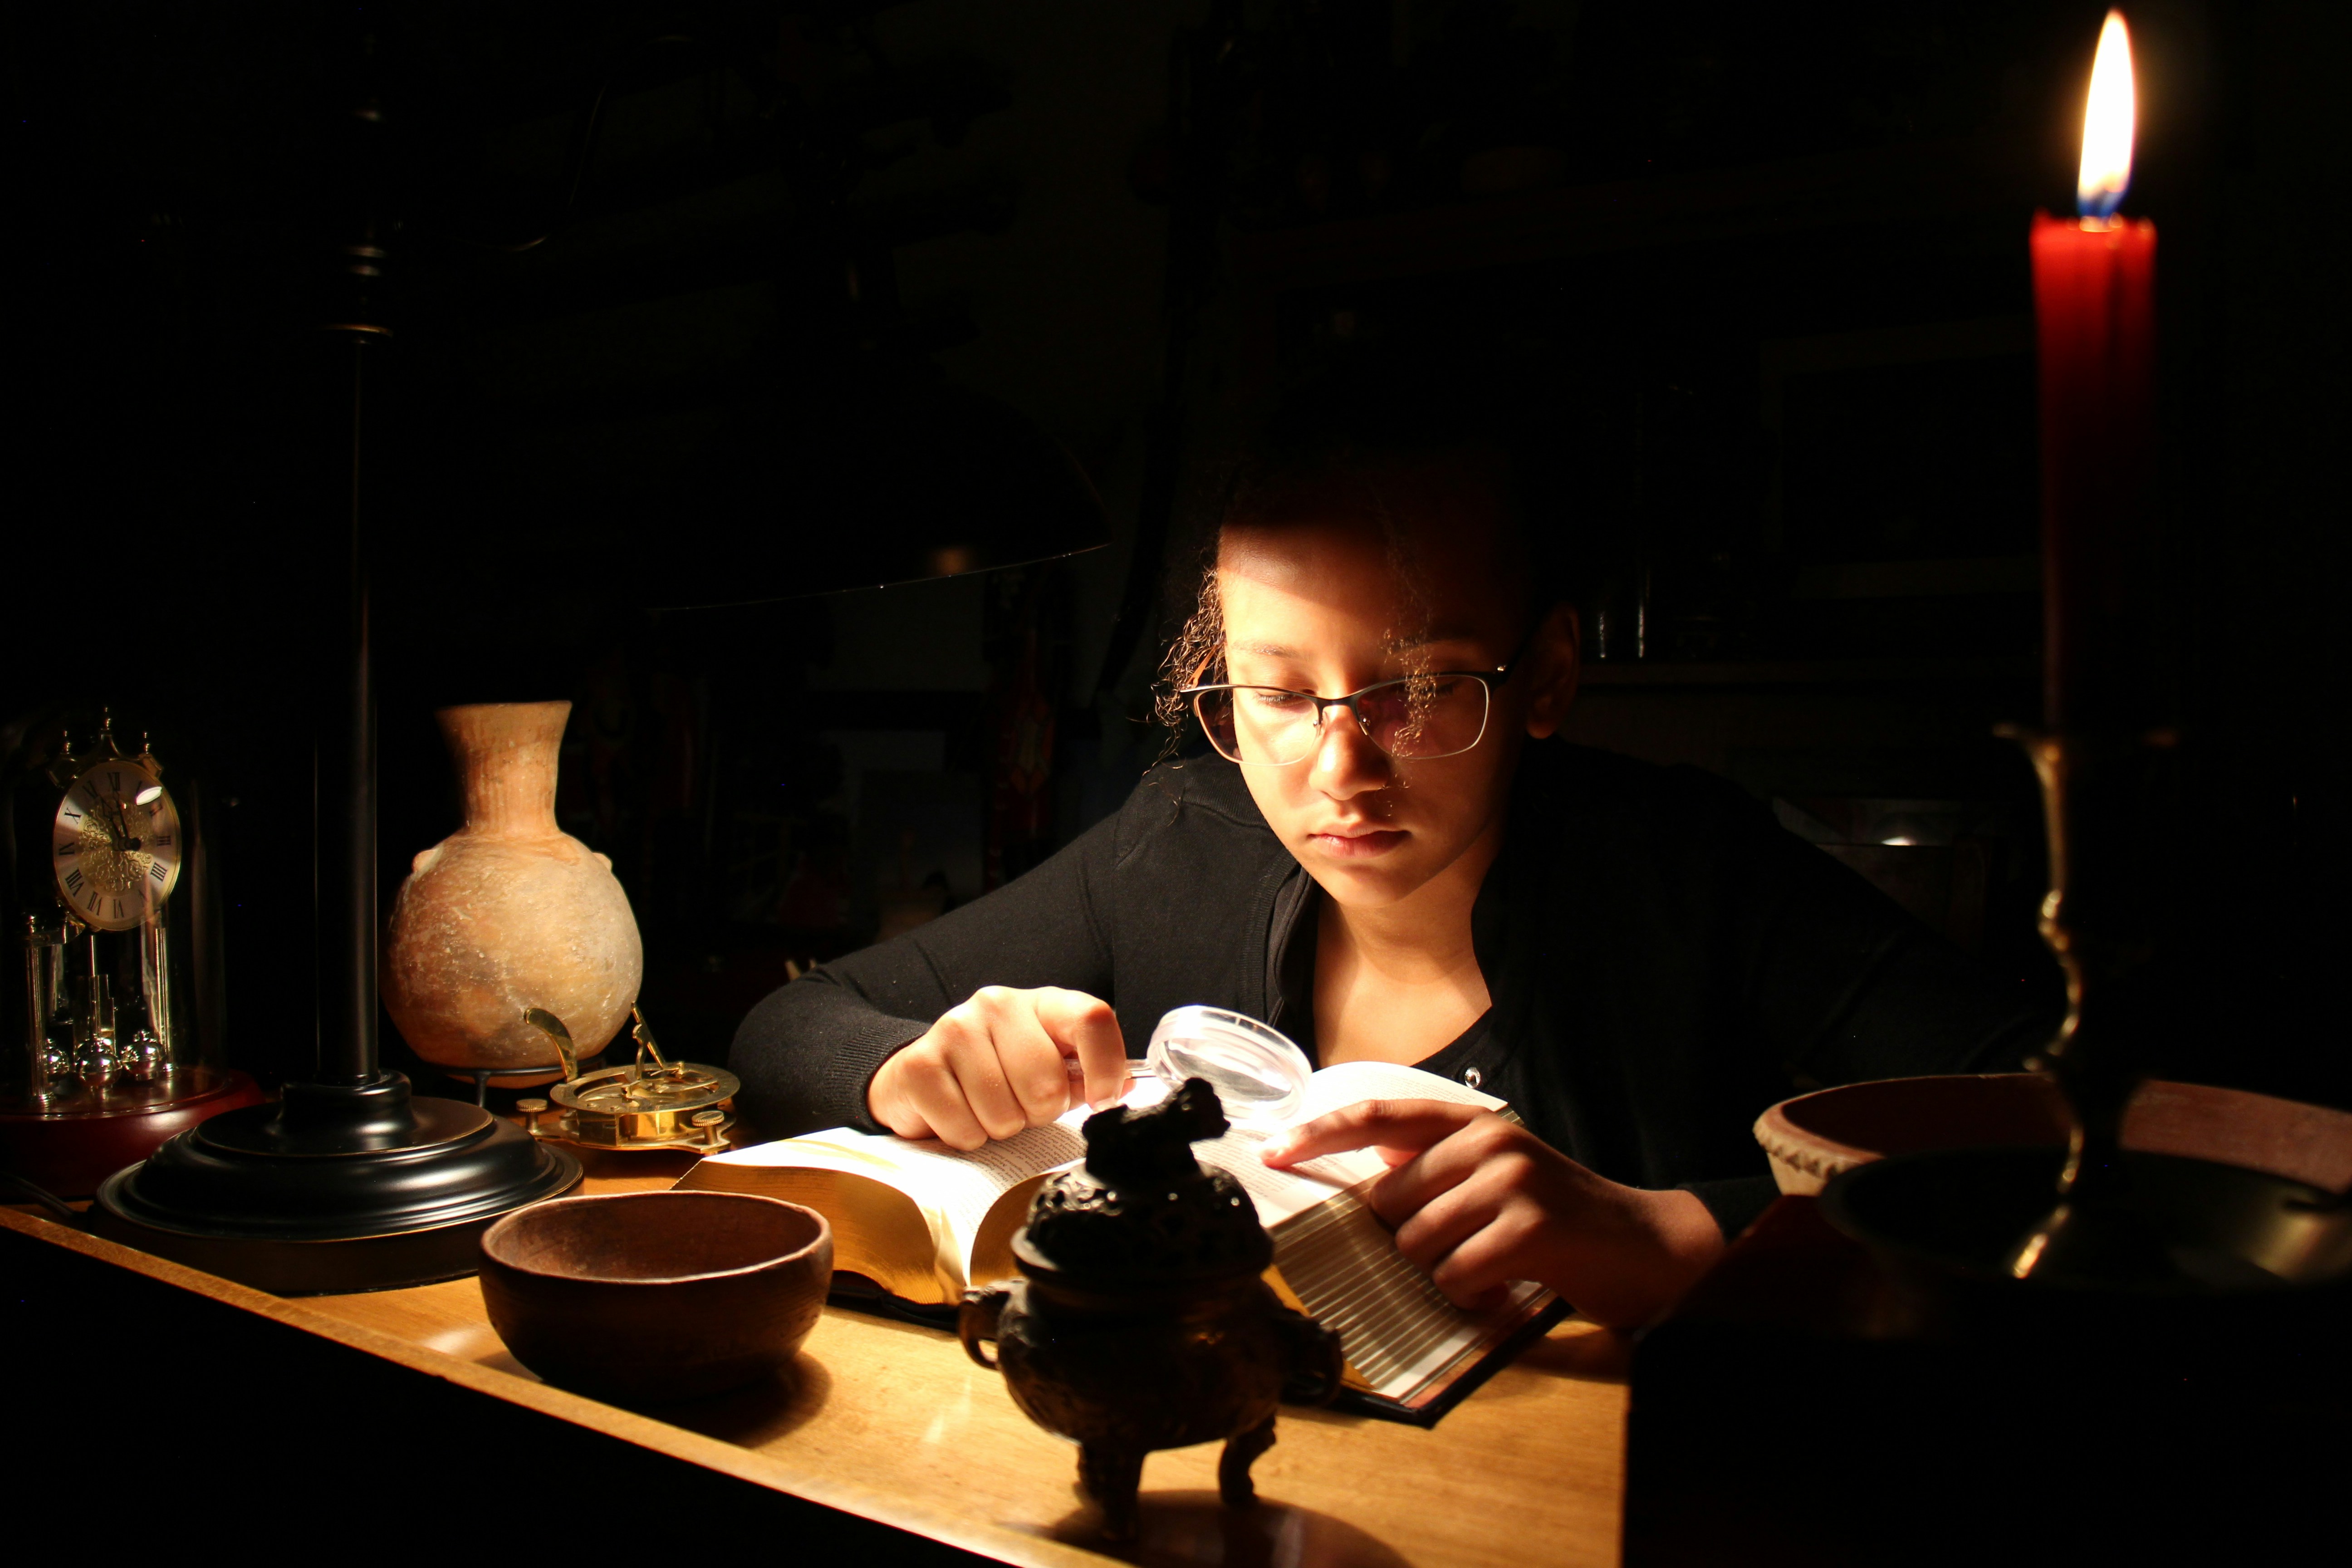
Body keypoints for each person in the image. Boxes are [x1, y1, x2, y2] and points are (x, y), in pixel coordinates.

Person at [732, 372, 2055, 1328]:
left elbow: (2055, 1123)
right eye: (1276, 693)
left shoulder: (1684, 874)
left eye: (1418, 689)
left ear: (1544, 676)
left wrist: (1677, 1231)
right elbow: (791, 1024)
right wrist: (912, 1064)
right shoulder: (1183, 842)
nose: (1340, 766)